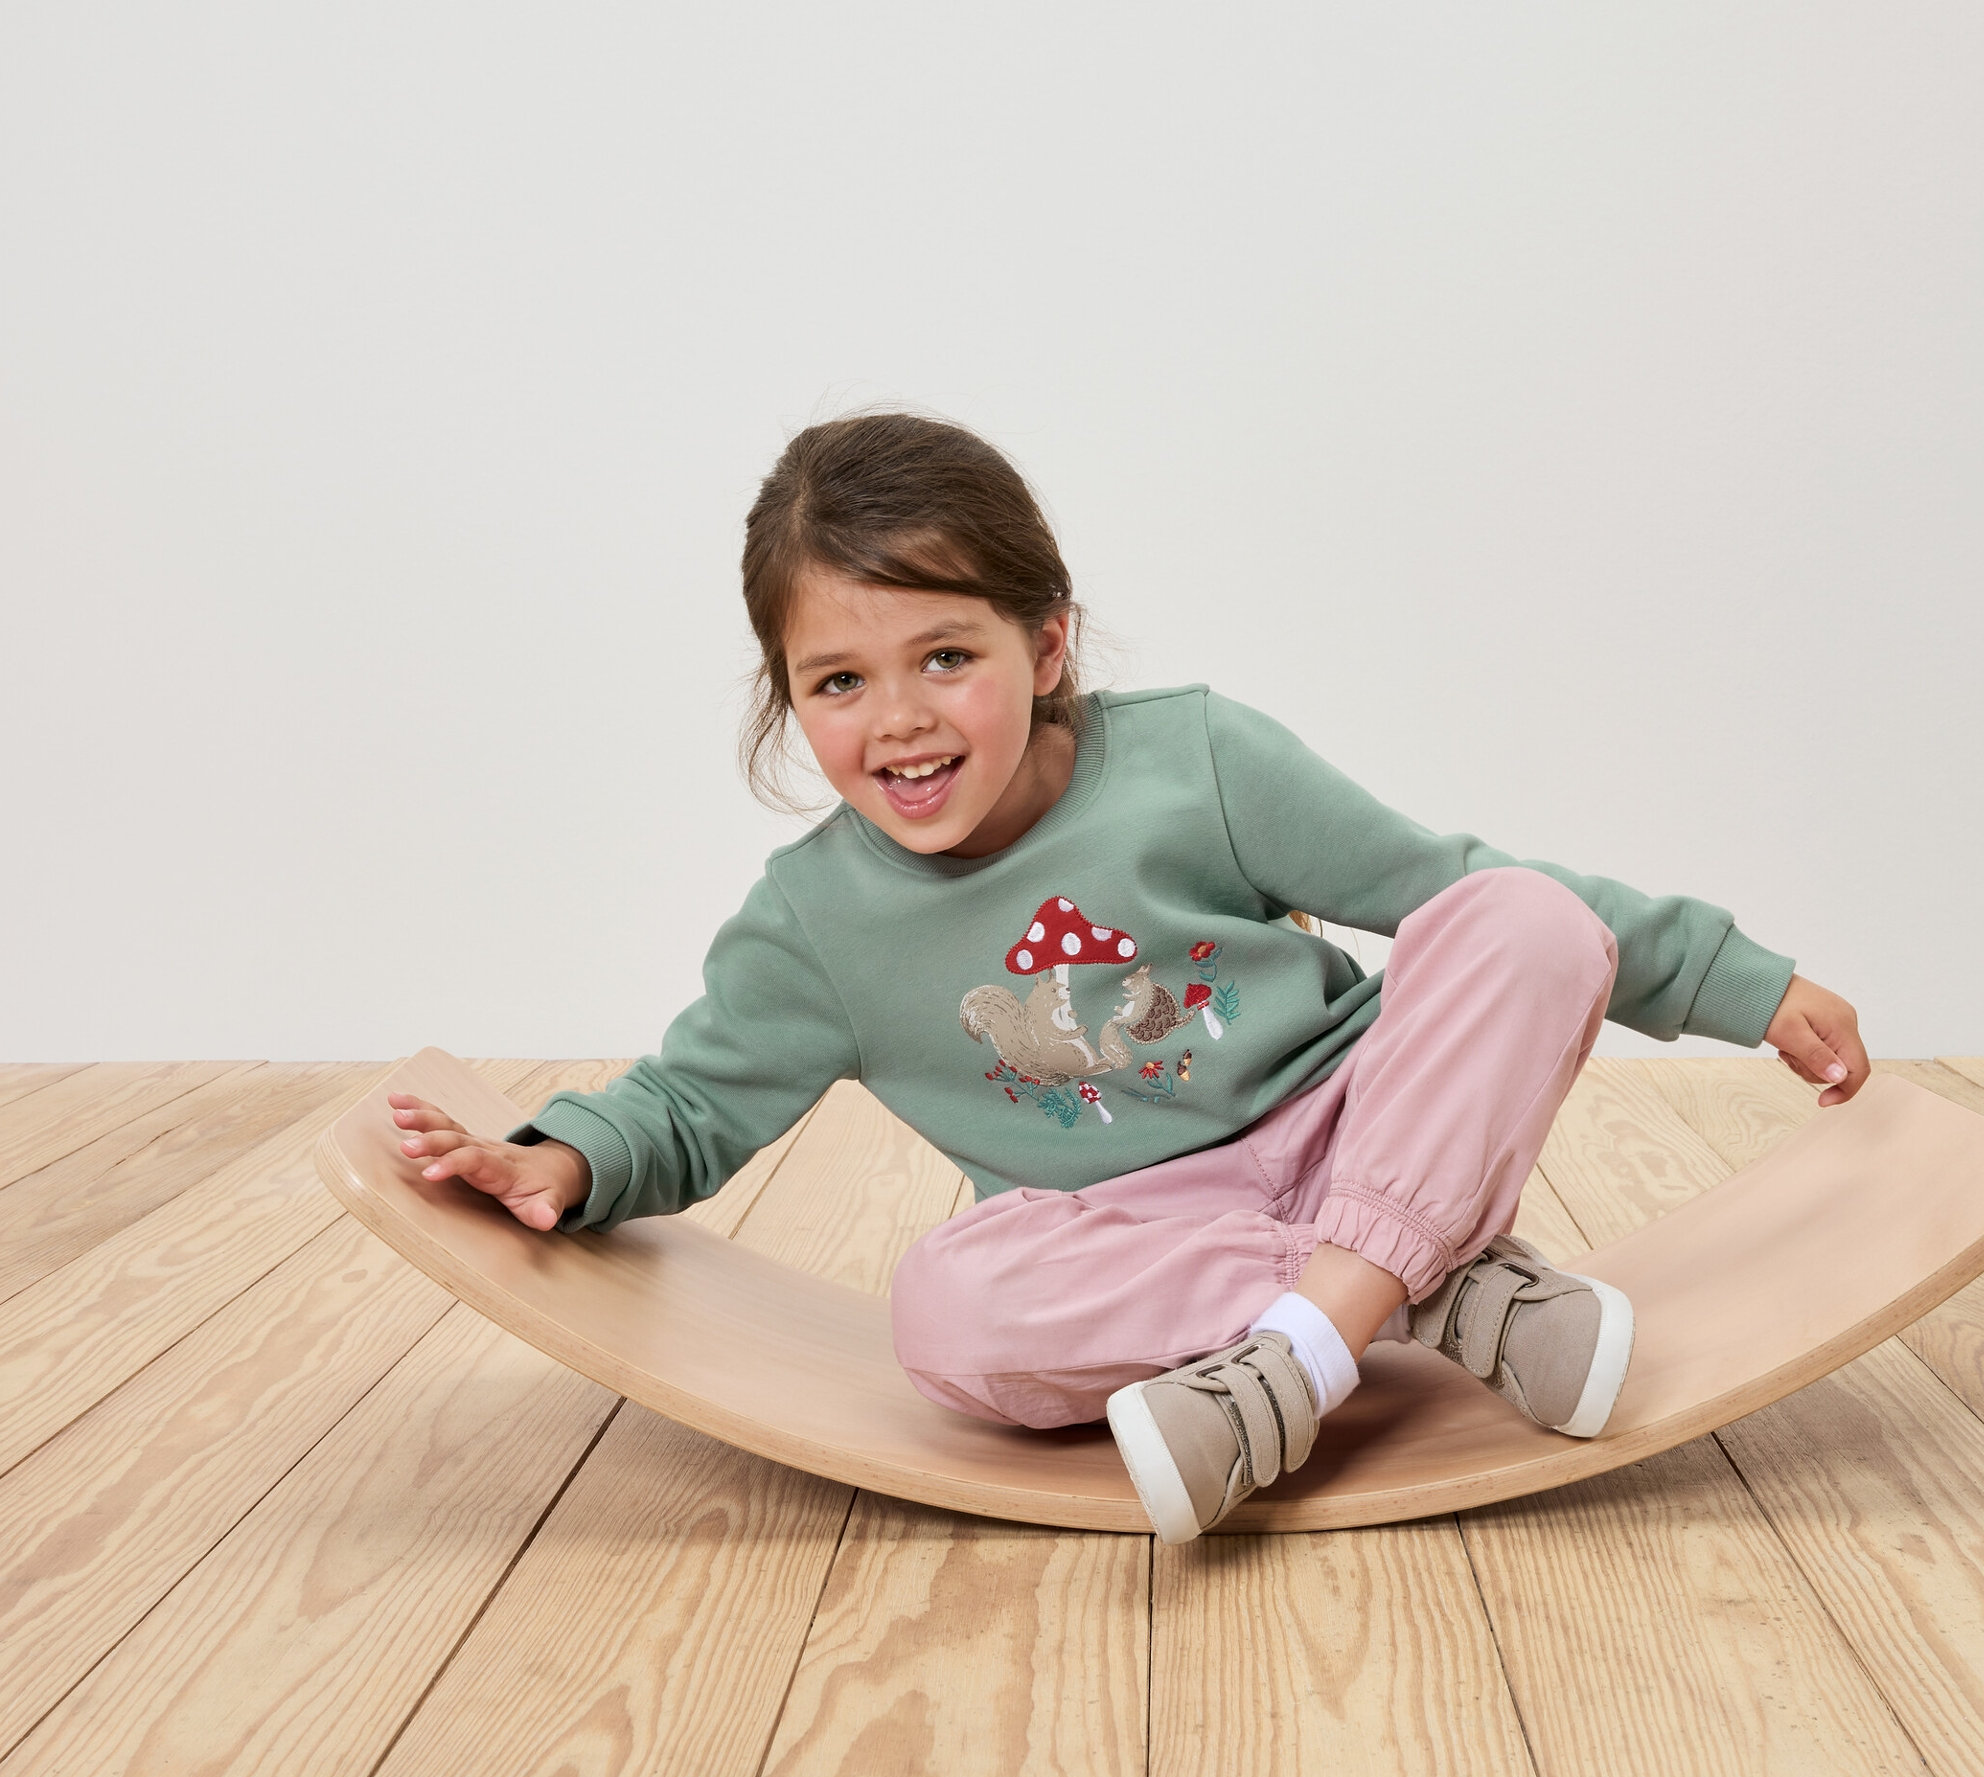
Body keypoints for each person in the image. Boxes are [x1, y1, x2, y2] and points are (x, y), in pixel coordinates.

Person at [388, 413, 1870, 1544]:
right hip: (1141, 1233)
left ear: (1047, 644)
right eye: (838, 682)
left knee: (1523, 920)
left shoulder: (1194, 762)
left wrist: (1729, 979)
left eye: (945, 655)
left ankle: (1292, 1356)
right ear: (793, 697)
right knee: (945, 1314)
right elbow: (690, 1101)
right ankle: (1413, 1296)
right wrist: (564, 1159)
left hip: (1363, 1128)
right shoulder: (814, 925)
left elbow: (1444, 885)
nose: (897, 722)